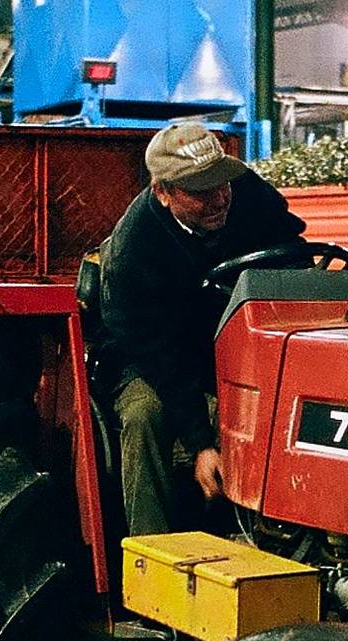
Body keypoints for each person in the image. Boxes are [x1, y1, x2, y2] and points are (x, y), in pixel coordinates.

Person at [99, 119, 306, 535]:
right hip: (155, 356)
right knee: (144, 416)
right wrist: (201, 443)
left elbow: (293, 248)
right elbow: (157, 353)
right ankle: (151, 549)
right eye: (200, 191)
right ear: (162, 193)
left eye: (222, 183)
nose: (218, 199)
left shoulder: (247, 193)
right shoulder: (134, 251)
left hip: (234, 339)